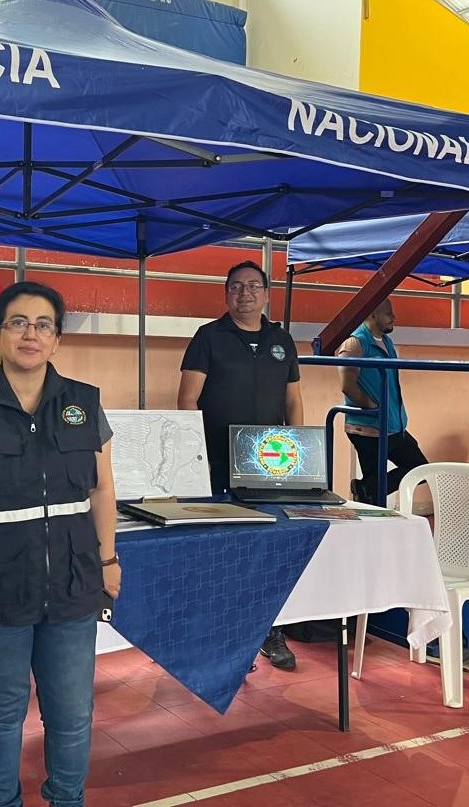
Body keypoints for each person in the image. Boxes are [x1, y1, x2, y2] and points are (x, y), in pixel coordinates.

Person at [0, 280, 120, 807]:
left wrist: (108, 559)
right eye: (17, 323)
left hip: (73, 584)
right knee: (1, 712)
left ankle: (67, 799)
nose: (30, 334)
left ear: (57, 339)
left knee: (72, 712)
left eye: (43, 325)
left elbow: (102, 488)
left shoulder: (84, 403)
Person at [177, 260, 302, 672]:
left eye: (252, 286)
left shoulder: (281, 340)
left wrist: (297, 453)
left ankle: (269, 631)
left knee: (269, 549)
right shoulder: (208, 337)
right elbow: (187, 401)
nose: (244, 293)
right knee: (222, 550)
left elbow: (293, 401)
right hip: (216, 463)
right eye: (235, 286)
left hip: (269, 464)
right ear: (226, 293)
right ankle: (226, 636)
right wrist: (194, 458)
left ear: (266, 293)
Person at [336, 297, 428, 505]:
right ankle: (367, 494)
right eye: (388, 313)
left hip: (392, 425)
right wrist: (371, 406)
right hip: (368, 428)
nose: (393, 317)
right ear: (372, 314)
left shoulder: (386, 341)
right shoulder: (355, 343)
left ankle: (365, 489)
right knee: (378, 490)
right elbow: (347, 385)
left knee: (419, 469)